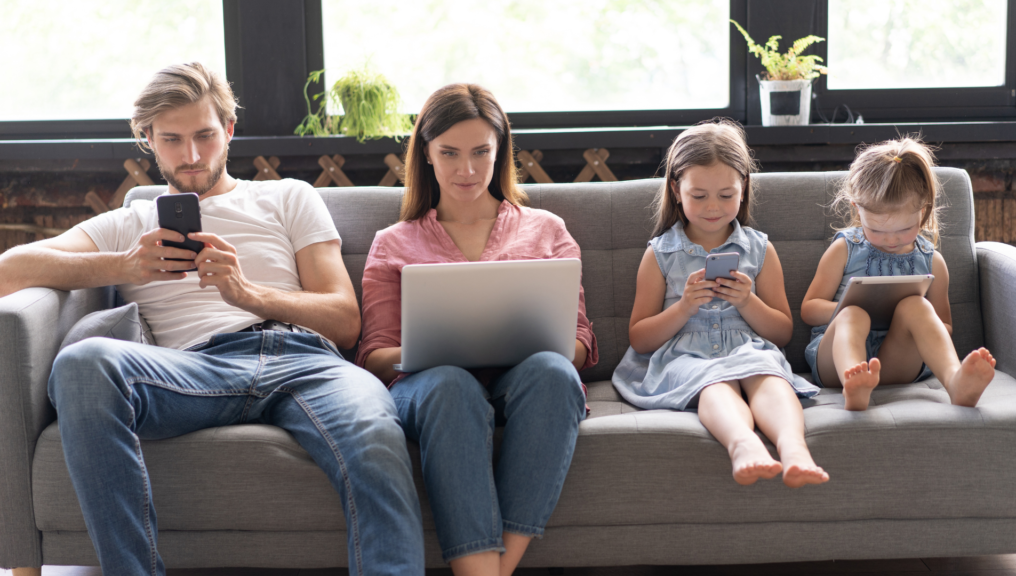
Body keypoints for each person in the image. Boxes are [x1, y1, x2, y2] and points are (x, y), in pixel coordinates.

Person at [0, 63, 423, 576]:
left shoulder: (288, 196)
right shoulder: (130, 222)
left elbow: (344, 320)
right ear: (147, 140)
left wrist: (248, 293)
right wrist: (125, 264)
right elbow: (8, 271)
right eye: (172, 140)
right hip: (196, 371)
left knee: (376, 435)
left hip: (306, 361)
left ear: (229, 129)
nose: (192, 155)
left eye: (204, 134)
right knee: (82, 362)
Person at [357, 83, 598, 576]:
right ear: (425, 153)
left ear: (500, 150)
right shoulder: (392, 242)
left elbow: (580, 343)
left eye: (481, 152)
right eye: (449, 153)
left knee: (554, 372)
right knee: (449, 382)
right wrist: (428, 351)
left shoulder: (546, 229)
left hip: (524, 382)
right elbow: (374, 354)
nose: (466, 170)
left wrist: (545, 344)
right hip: (430, 389)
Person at [611, 119, 828, 488]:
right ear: (677, 190)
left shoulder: (759, 249)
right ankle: (743, 444)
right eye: (699, 196)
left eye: (726, 195)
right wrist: (682, 308)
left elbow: (782, 332)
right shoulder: (661, 254)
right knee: (715, 384)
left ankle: (793, 448)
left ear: (743, 188)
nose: (713, 207)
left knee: (768, 376)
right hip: (685, 359)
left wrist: (747, 302)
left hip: (749, 350)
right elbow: (640, 339)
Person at [801, 137, 996, 411]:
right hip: (836, 361)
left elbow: (945, 326)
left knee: (916, 306)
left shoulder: (933, 262)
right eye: (877, 230)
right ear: (858, 210)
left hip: (897, 362)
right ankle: (854, 388)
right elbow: (809, 309)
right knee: (853, 314)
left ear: (923, 211)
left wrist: (905, 316)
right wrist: (854, 307)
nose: (891, 240)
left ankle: (955, 382)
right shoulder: (845, 249)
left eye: (904, 229)